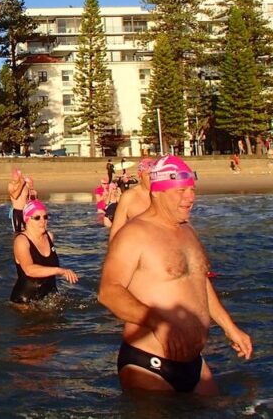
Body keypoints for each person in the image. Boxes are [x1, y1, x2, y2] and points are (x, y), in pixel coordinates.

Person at [98, 155, 252, 395]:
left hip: (194, 361)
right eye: (181, 191)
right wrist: (157, 323)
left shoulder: (187, 230)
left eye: (192, 190)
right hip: (149, 363)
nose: (190, 197)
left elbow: (199, 282)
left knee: (223, 407)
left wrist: (230, 327)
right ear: (158, 192)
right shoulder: (134, 234)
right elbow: (109, 292)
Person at [10, 200, 78, 304]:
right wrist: (60, 271)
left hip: (48, 297)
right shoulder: (21, 241)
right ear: (27, 219)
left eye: (45, 217)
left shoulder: (49, 236)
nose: (43, 221)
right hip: (25, 301)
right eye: (37, 218)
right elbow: (29, 270)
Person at [108, 158, 154, 241]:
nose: (152, 178)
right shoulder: (129, 197)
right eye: (149, 174)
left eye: (155, 174)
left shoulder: (163, 194)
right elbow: (116, 230)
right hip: (137, 243)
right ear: (140, 174)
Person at [8, 168, 29, 233]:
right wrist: (21, 184)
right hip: (16, 211)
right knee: (17, 233)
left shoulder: (26, 185)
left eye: (16, 175)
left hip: (25, 212)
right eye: (13, 175)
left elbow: (29, 198)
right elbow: (15, 196)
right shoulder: (11, 185)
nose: (13, 176)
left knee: (28, 232)